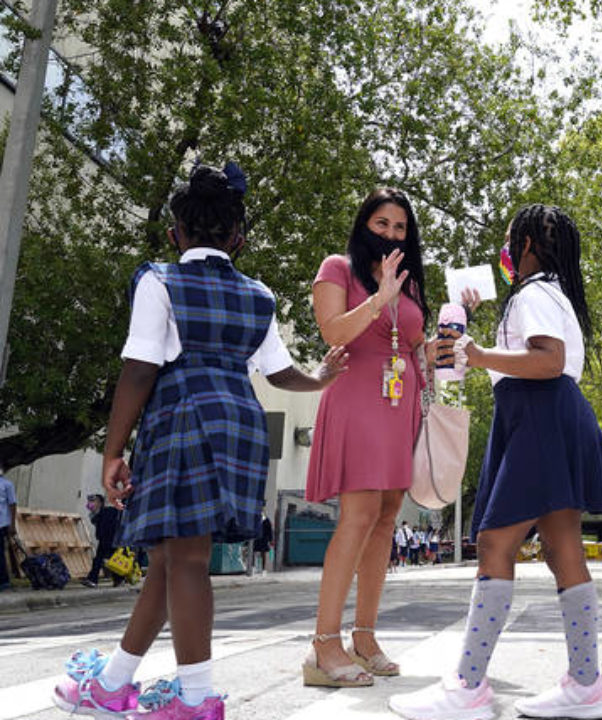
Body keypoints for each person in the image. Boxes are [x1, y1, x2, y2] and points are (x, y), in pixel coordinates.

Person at [51, 164, 347, 720]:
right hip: (239, 421)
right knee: (170, 559)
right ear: (238, 238)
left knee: (183, 559)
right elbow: (280, 373)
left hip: (183, 416)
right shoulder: (258, 295)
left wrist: (114, 450)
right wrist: (322, 380)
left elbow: (139, 370)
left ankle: (195, 699)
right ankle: (115, 683)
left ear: (174, 234)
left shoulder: (160, 280)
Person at [389, 204, 602, 720]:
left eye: (507, 241)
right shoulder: (547, 293)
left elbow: (548, 359)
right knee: (563, 548)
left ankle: (468, 687)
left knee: (496, 541)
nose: (503, 251)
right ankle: (585, 683)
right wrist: (475, 333)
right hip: (551, 416)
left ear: (523, 245)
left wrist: (476, 353)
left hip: (539, 417)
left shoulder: (534, 294)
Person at [305, 188, 474, 687]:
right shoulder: (337, 267)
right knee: (357, 516)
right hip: (357, 398)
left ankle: (364, 635)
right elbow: (333, 331)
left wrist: (447, 341)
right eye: (382, 224)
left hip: (402, 404)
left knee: (384, 519)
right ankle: (323, 645)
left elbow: (419, 348)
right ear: (364, 224)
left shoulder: (413, 285)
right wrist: (379, 298)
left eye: (400, 228)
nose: (390, 235)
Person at [83, 494, 123, 588]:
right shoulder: (105, 511)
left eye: (94, 501)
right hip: (108, 537)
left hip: (108, 536)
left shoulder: (109, 511)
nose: (91, 504)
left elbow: (99, 523)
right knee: (112, 558)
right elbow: (95, 521)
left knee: (100, 558)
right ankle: (119, 579)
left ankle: (93, 579)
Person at [0, 464, 15, 592]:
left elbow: (12, 504)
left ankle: (4, 581)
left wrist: (12, 524)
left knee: (0, 553)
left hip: (2, 522)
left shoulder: (7, 484)